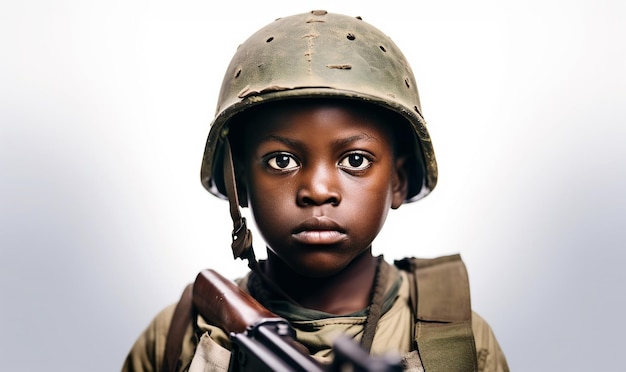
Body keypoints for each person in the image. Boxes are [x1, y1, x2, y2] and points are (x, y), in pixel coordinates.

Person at [123, 10, 509, 372]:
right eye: (282, 161)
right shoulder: (181, 337)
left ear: (398, 181)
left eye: (355, 161)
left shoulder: (459, 343)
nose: (318, 190)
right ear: (238, 183)